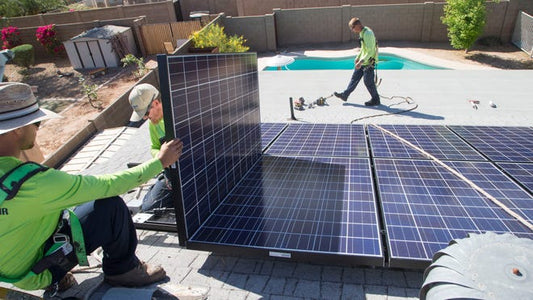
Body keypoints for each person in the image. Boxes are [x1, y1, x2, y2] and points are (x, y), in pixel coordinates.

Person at [0, 82, 183, 293]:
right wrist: (159, 162)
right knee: (109, 206)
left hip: (11, 269)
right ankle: (123, 270)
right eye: (36, 123)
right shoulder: (35, 183)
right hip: (35, 273)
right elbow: (108, 185)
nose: (37, 129)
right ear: (17, 129)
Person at [128, 83, 173, 212]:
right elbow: (154, 146)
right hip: (171, 174)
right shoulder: (153, 123)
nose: (146, 117)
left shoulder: (178, 115)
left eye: (146, 113)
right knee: (148, 207)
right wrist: (160, 156)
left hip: (191, 171)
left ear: (156, 102)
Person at [334, 17, 380, 106]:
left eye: (353, 27)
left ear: (358, 25)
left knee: (368, 82)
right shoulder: (362, 33)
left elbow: (370, 51)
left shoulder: (368, 34)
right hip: (363, 61)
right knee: (354, 78)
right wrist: (358, 57)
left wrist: (361, 61)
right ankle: (345, 95)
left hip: (369, 62)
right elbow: (363, 48)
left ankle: (376, 99)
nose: (352, 30)